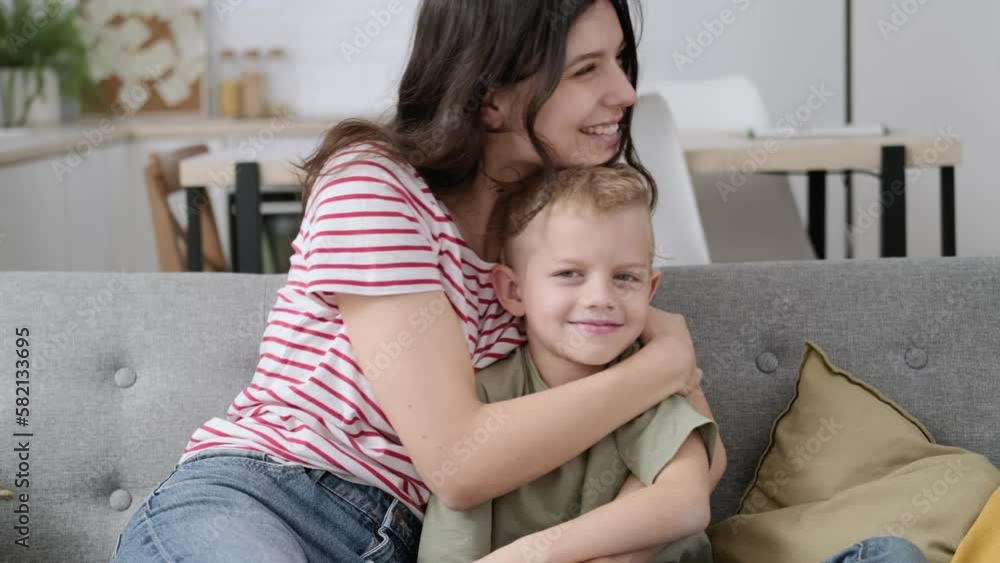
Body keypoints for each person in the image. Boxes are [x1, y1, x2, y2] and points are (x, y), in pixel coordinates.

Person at [109, 1, 929, 561]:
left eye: (621, 62)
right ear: (494, 95)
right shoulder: (376, 186)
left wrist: (604, 535)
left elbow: (692, 467)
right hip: (270, 500)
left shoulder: (569, 246)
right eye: (588, 70)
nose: (626, 92)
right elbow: (460, 459)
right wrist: (660, 362)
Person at [418, 164, 723, 563]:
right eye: (569, 273)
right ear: (513, 290)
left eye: (625, 278)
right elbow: (454, 539)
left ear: (650, 290)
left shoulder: (654, 387)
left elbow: (684, 502)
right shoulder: (485, 398)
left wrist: (534, 554)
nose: (600, 297)